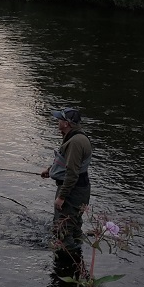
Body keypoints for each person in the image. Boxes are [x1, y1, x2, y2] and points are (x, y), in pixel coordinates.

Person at [40, 107, 92, 255]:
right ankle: (78, 255)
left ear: (66, 123)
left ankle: (68, 258)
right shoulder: (76, 137)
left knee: (61, 229)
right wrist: (50, 170)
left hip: (73, 191)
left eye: (60, 119)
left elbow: (72, 173)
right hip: (79, 189)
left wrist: (61, 197)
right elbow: (68, 163)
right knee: (73, 226)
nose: (58, 122)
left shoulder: (75, 142)